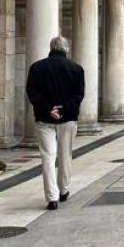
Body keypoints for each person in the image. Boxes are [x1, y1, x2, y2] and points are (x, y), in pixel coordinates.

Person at [25, 36, 84, 210]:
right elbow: (78, 96)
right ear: (66, 49)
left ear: (51, 48)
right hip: (67, 119)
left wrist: (49, 109)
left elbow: (32, 93)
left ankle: (52, 197)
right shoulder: (76, 69)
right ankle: (63, 190)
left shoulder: (36, 68)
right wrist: (63, 109)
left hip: (44, 118)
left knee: (48, 157)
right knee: (65, 156)